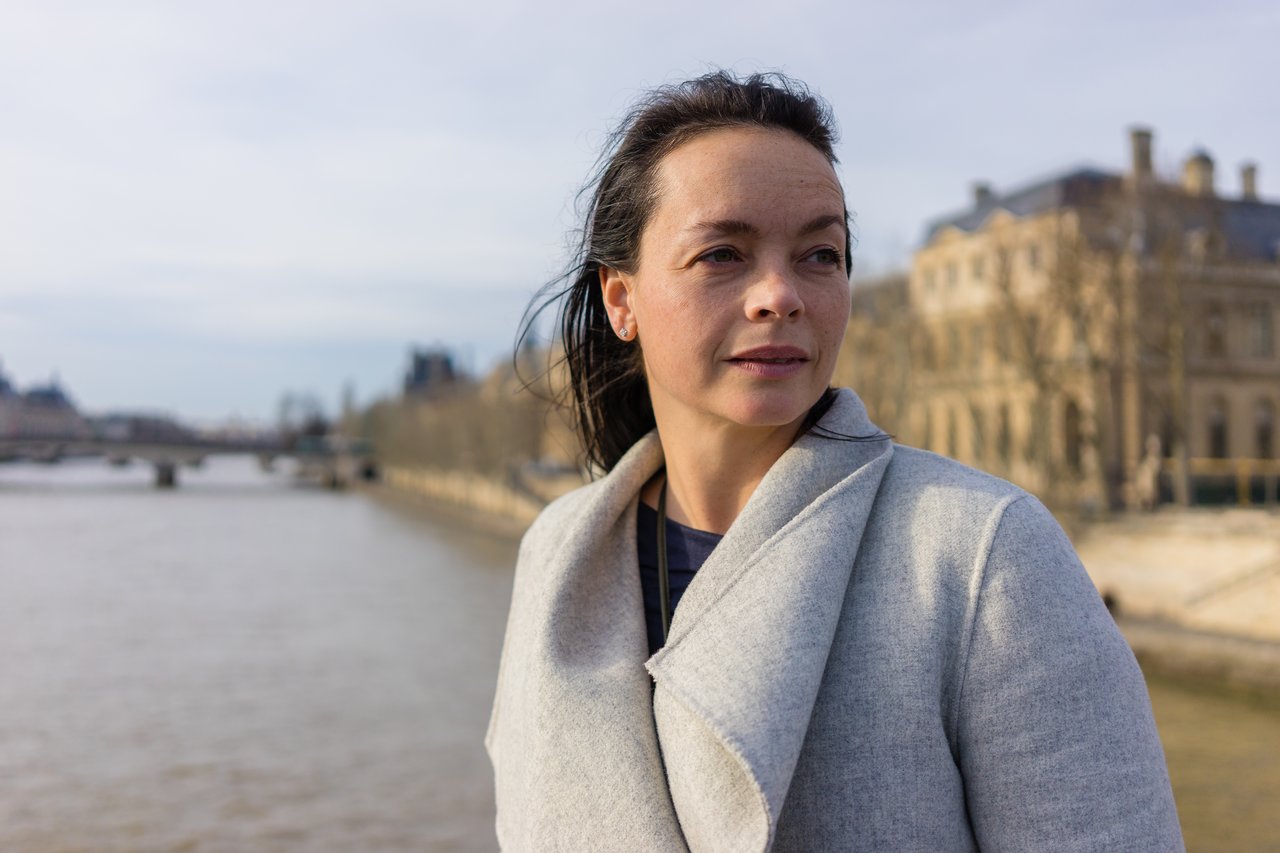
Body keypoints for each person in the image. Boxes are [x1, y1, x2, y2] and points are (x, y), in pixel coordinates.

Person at [486, 71, 1183, 852]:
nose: (780, 294)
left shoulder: (986, 555)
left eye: (821, 253)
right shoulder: (554, 552)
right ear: (622, 300)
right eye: (722, 253)